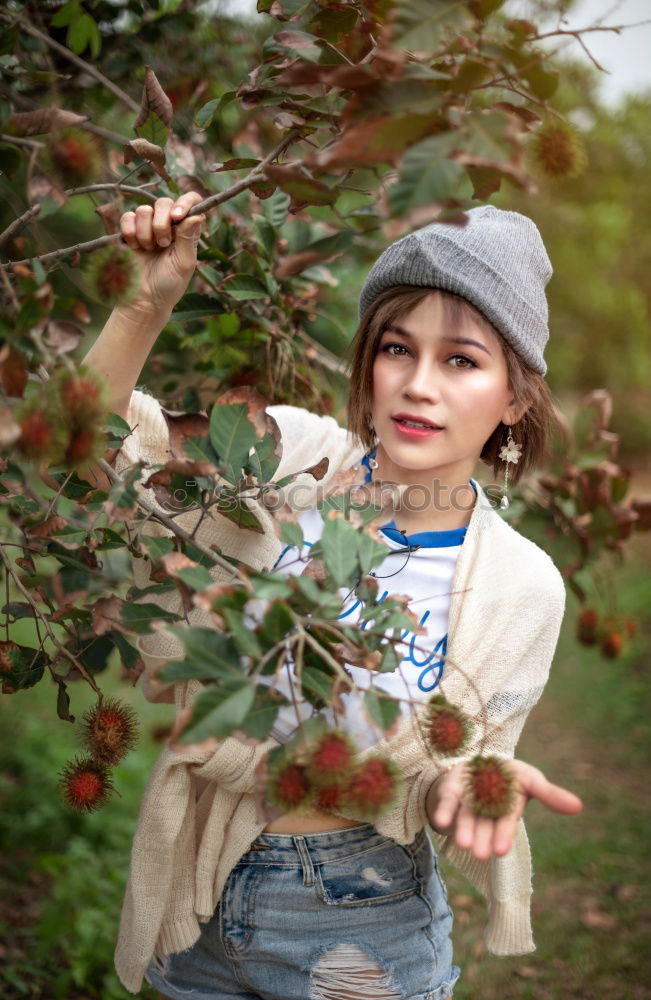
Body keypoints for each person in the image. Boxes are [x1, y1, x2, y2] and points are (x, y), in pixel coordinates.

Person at [84, 192, 583, 999]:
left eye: (461, 360)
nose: (418, 385)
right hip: (202, 889)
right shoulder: (290, 463)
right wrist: (143, 304)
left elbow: (454, 769)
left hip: (367, 919)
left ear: (514, 397)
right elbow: (95, 463)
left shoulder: (519, 587)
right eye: (396, 348)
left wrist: (463, 792)